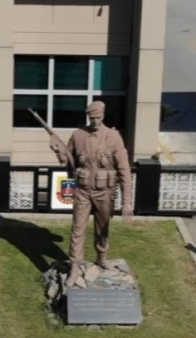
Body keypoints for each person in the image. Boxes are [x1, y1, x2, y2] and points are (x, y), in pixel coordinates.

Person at [48, 100, 134, 271]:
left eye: (98, 117)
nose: (95, 121)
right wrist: (58, 151)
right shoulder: (78, 135)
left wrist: (127, 201)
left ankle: (101, 258)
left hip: (105, 192)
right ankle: (74, 265)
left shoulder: (114, 137)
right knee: (78, 228)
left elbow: (124, 170)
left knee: (103, 228)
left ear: (103, 116)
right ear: (88, 117)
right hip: (83, 191)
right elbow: (68, 161)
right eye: (92, 118)